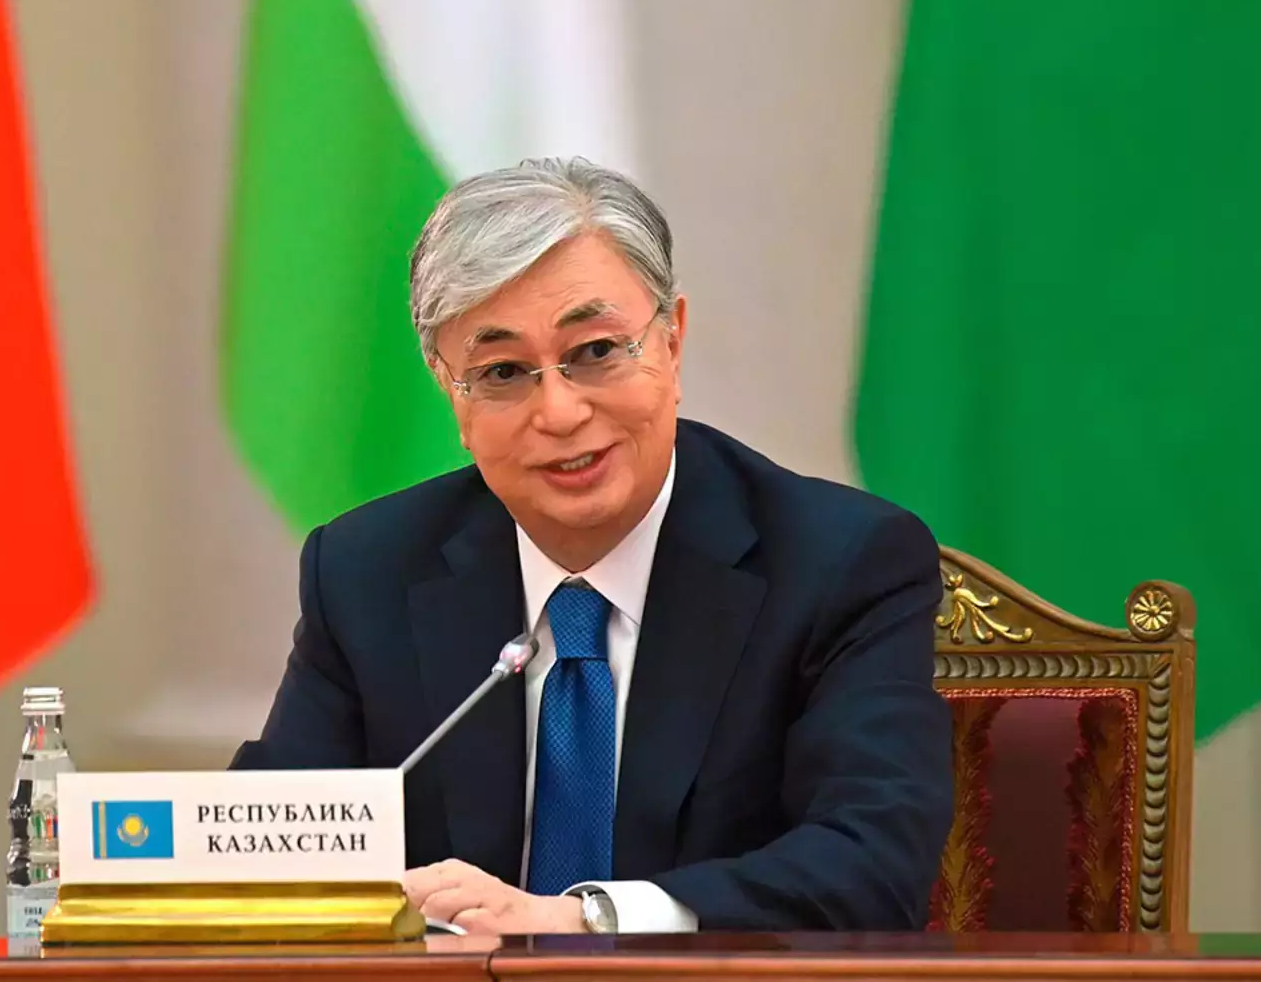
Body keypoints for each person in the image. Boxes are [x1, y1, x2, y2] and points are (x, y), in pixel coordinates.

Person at [233, 157, 953, 935]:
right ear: (451, 391)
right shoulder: (367, 570)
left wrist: (582, 919)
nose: (560, 411)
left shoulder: (839, 562)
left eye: (598, 351)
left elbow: (872, 864)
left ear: (672, 341)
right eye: (503, 371)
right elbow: (270, 848)